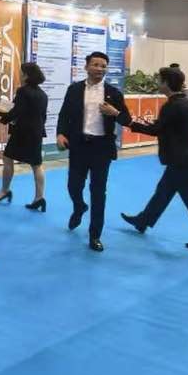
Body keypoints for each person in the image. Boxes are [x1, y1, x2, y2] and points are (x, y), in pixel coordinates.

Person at [119, 67, 188, 254]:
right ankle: (143, 220)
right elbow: (179, 129)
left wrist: (129, 123)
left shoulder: (171, 106)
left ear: (166, 83)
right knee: (164, 191)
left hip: (178, 161)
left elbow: (156, 131)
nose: (157, 83)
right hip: (186, 155)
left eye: (159, 80)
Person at [56, 51, 131, 252]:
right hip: (79, 146)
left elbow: (126, 119)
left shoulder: (114, 93)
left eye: (103, 66)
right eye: (96, 65)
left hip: (102, 148)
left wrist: (115, 112)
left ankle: (95, 235)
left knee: (98, 192)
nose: (99, 69)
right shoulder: (74, 89)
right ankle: (79, 206)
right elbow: (64, 115)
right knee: (74, 186)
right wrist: (60, 133)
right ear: (86, 66)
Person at [0, 62, 49, 211]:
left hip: (22, 132)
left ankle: (4, 190)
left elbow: (16, 112)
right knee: (37, 165)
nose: (19, 75)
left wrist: (1, 117)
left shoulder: (23, 91)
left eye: (21, 73)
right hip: (37, 132)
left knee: (7, 158)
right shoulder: (43, 94)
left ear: (26, 75)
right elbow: (42, 116)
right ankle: (39, 197)